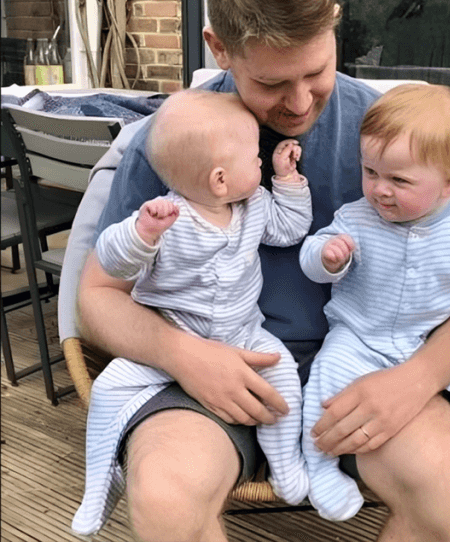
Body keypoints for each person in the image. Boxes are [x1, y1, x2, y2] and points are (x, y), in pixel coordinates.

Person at [74, 0, 450, 540]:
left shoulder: (394, 131)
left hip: (368, 367)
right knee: (166, 499)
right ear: (219, 48)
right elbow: (97, 297)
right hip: (207, 369)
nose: (299, 103)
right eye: (272, 82)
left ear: (335, 24)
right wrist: (185, 356)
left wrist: (417, 379)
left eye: (316, 72)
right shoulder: (175, 137)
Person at [298, 84, 450, 531]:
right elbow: (315, 256)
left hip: (424, 343)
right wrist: (328, 257)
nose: (379, 190)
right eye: (370, 172)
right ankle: (319, 469)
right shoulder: (356, 217)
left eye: (399, 181)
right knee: (325, 384)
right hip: (358, 336)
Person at [73, 90, 312, 535]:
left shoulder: (255, 205)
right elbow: (112, 260)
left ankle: (285, 465)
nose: (262, 160)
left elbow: (290, 229)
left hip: (244, 335)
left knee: (282, 383)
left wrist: (287, 180)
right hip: (175, 332)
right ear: (220, 179)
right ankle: (99, 484)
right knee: (107, 389)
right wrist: (141, 232)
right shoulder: (169, 219)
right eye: (256, 157)